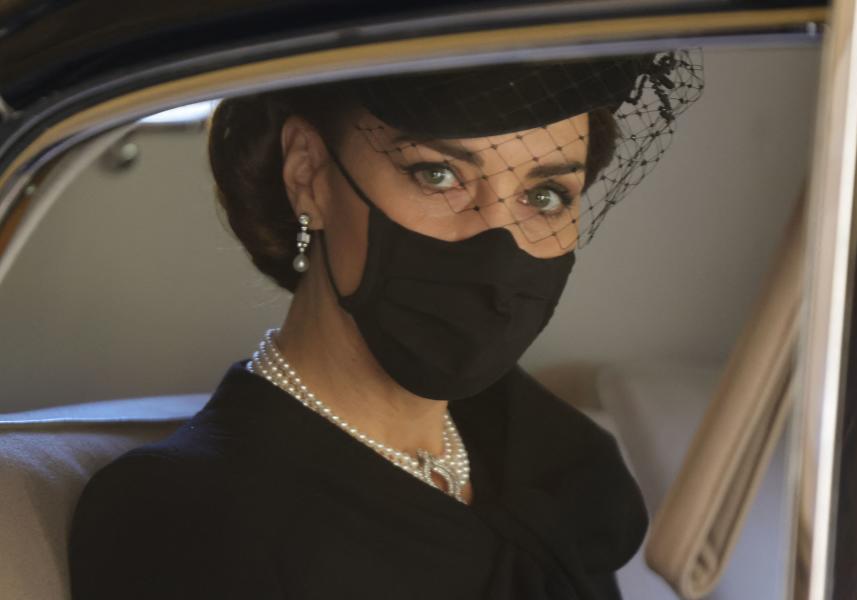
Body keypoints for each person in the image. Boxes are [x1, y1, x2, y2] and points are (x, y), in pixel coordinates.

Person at [67, 52, 703, 599]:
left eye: (544, 195)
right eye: (439, 175)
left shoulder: (557, 460)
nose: (498, 241)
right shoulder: (184, 514)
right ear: (308, 173)